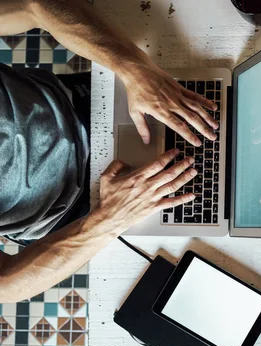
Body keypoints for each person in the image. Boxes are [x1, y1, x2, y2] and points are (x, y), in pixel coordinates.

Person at [0, 0, 219, 302]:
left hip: (83, 102)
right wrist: (111, 217)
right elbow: (4, 285)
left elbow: (34, 6)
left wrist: (133, 68)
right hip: (78, 216)